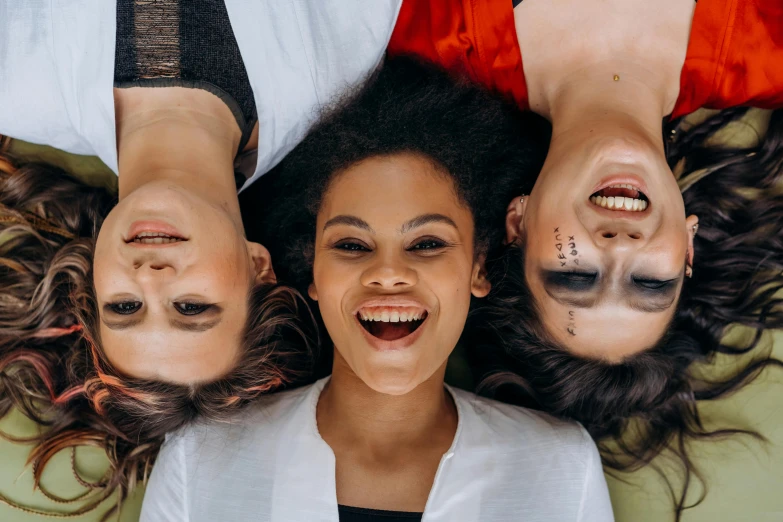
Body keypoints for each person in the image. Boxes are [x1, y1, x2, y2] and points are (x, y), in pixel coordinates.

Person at [140, 57, 613, 522]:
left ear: (478, 267)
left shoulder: (562, 470)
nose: (388, 273)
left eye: (426, 243)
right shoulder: (199, 458)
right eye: (351, 244)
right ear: (313, 272)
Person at [0, 1, 401, 517]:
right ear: (259, 267)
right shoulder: (346, 54)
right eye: (191, 307)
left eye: (124, 307)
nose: (150, 278)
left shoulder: (16, 81)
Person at [388, 0, 783, 518]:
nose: (619, 246)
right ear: (689, 247)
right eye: (647, 283)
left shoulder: (421, 32)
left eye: (576, 275)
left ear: (517, 224)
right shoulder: (767, 47)